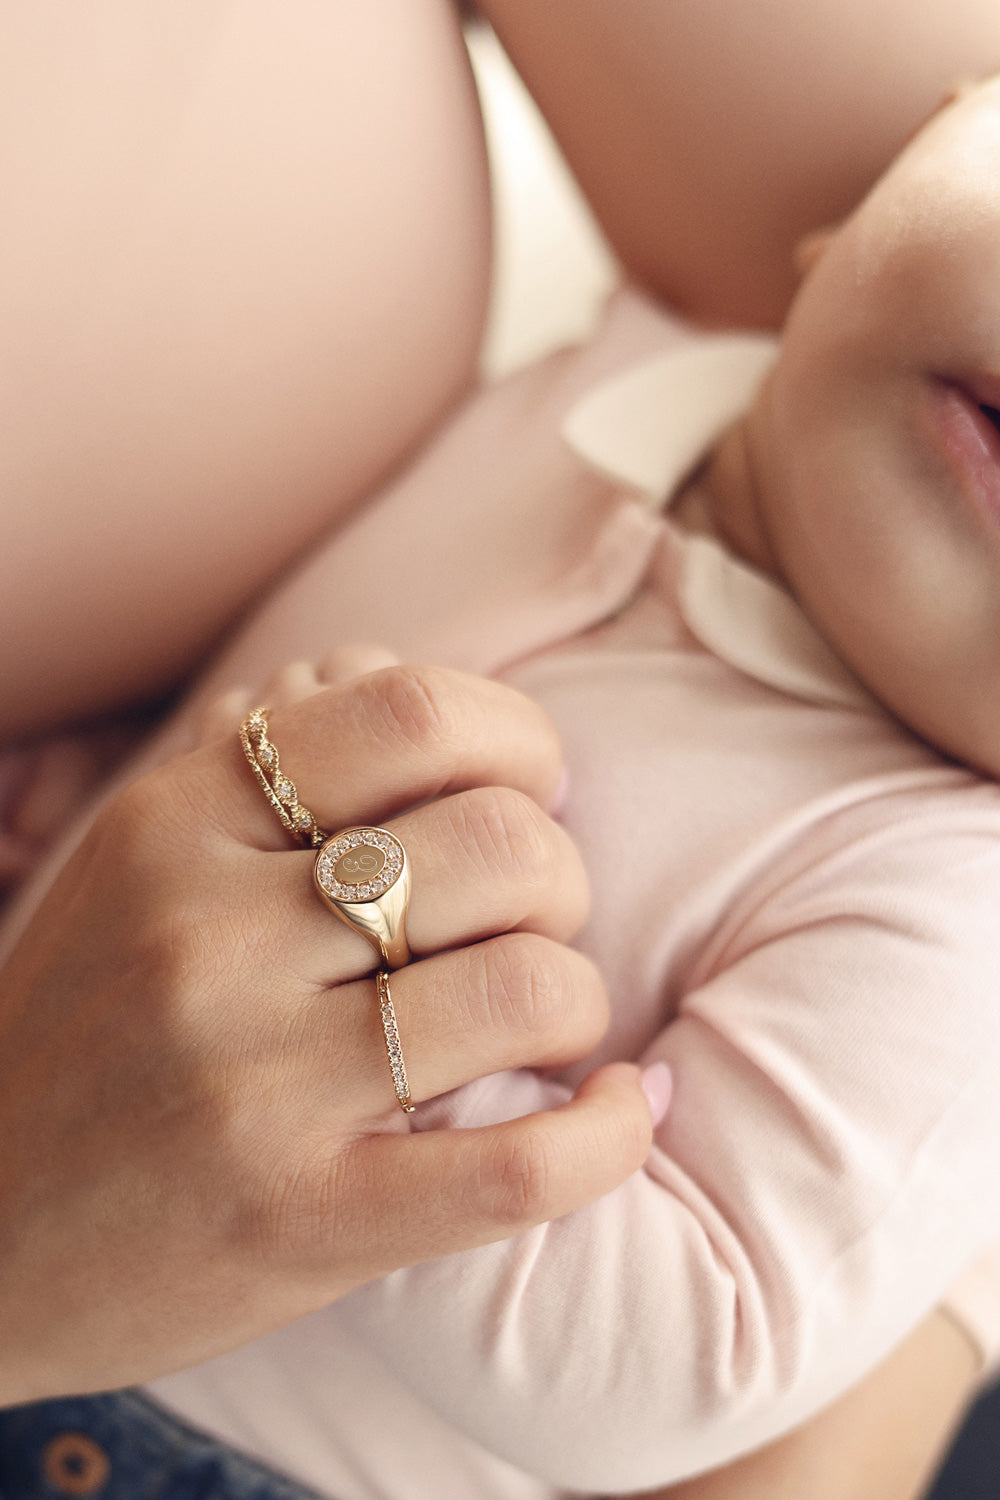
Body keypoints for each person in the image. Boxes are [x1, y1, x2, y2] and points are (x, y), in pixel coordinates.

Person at [2, 2, 1000, 1499]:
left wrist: (362, 1034)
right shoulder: (613, 381)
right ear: (914, 145)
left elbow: (676, 1358)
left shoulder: (942, 904)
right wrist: (119, 780)